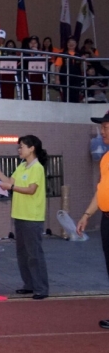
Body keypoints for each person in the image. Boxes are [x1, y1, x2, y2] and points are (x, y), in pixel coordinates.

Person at [0, 135, 49, 300]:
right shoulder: (22, 165)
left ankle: (41, 288)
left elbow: (31, 189)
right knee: (22, 254)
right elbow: (10, 181)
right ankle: (29, 285)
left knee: (34, 254)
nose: (19, 149)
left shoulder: (37, 168)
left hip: (32, 216)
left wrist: (11, 187)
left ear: (32, 148)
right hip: (20, 214)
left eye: (22, 146)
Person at [77, 110, 109, 329]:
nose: (102, 131)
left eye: (106, 127)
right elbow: (101, 191)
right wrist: (87, 214)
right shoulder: (106, 158)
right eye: (102, 127)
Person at [56, 37, 83, 103]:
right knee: (66, 97)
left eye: (73, 42)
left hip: (76, 79)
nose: (71, 44)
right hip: (65, 79)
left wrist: (83, 60)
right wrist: (57, 79)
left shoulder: (79, 55)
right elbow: (57, 68)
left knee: (76, 97)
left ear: (76, 44)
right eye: (69, 42)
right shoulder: (62, 55)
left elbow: (83, 68)